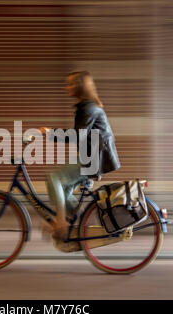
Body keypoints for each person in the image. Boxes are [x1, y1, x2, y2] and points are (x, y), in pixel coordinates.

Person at [39, 71, 121, 240]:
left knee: (54, 177)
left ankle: (61, 224)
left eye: (70, 84)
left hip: (95, 159)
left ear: (79, 86)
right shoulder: (87, 106)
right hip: (93, 156)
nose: (66, 87)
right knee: (64, 189)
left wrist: (50, 133)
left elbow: (78, 135)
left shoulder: (89, 107)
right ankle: (81, 224)